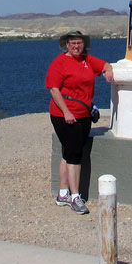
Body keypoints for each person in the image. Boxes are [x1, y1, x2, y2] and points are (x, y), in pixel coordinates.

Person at [45, 29, 114, 215]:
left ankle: (62, 193)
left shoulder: (87, 60)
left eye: (79, 43)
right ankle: (75, 197)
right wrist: (66, 112)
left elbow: (105, 65)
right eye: (72, 43)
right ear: (66, 44)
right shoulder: (59, 63)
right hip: (64, 115)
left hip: (84, 114)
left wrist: (108, 70)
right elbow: (53, 89)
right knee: (75, 155)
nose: (76, 46)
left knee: (69, 152)